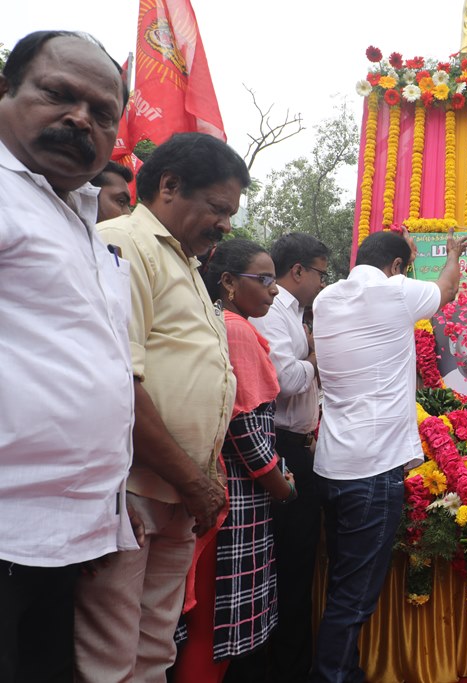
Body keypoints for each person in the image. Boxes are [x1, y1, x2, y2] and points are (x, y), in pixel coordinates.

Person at [75, 132, 251, 683]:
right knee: (110, 658)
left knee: (154, 650)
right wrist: (194, 481)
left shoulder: (185, 262)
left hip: (176, 492)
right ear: (169, 185)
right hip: (130, 491)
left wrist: (201, 477)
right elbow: (117, 386)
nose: (226, 225)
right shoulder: (124, 244)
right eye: (218, 208)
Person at [0, 30, 135, 682]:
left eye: (103, 113)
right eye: (59, 94)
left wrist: (107, 502)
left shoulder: (78, 217)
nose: (82, 119)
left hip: (60, 538)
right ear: (6, 90)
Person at [311, 228, 467, 682]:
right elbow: (447, 289)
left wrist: (403, 264)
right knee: (355, 597)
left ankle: (340, 671)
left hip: (332, 464)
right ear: (397, 267)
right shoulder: (396, 291)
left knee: (342, 585)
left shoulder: (325, 299)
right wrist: (452, 254)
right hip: (374, 469)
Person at [174, 239, 295, 682]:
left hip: (228, 494)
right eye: (263, 280)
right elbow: (243, 426)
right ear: (227, 282)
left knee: (208, 629)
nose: (274, 290)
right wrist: (283, 485)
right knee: (214, 633)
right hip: (236, 504)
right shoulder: (235, 329)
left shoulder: (220, 322)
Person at [243, 232, 329, 683]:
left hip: (294, 443)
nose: (322, 282)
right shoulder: (274, 311)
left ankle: (290, 664)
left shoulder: (293, 312)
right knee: (289, 566)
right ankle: (286, 669)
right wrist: (314, 358)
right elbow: (283, 379)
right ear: (298, 270)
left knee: (296, 566)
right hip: (275, 445)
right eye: (320, 273)